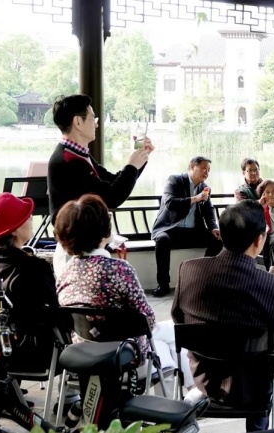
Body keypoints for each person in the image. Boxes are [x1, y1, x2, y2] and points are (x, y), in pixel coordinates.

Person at [172, 200, 274, 431]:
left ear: (221, 235)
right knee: (271, 359)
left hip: (204, 380)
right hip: (253, 393)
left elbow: (178, 318)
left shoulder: (188, 270)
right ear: (259, 240)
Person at [48, 94, 154, 276]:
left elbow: (112, 181)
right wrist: (132, 166)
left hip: (82, 249)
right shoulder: (69, 160)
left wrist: (138, 160)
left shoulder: (77, 154)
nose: (96, 124)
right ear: (78, 122)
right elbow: (112, 197)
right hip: (75, 253)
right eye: (93, 119)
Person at [54, 194, 156, 362]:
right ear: (103, 230)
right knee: (168, 339)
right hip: (123, 354)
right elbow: (148, 320)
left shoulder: (65, 272)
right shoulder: (119, 269)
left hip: (82, 353)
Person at [0, 192, 59, 371]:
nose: (31, 218)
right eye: (26, 217)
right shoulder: (32, 267)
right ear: (13, 230)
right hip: (34, 354)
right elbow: (55, 312)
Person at [151, 156, 223, 297]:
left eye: (209, 170)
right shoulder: (175, 180)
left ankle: (203, 279)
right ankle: (163, 284)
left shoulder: (205, 188)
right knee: (162, 241)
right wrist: (196, 198)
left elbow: (209, 210)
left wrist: (213, 227)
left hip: (192, 231)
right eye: (203, 168)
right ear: (192, 166)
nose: (206, 172)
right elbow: (170, 203)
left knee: (218, 241)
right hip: (169, 228)